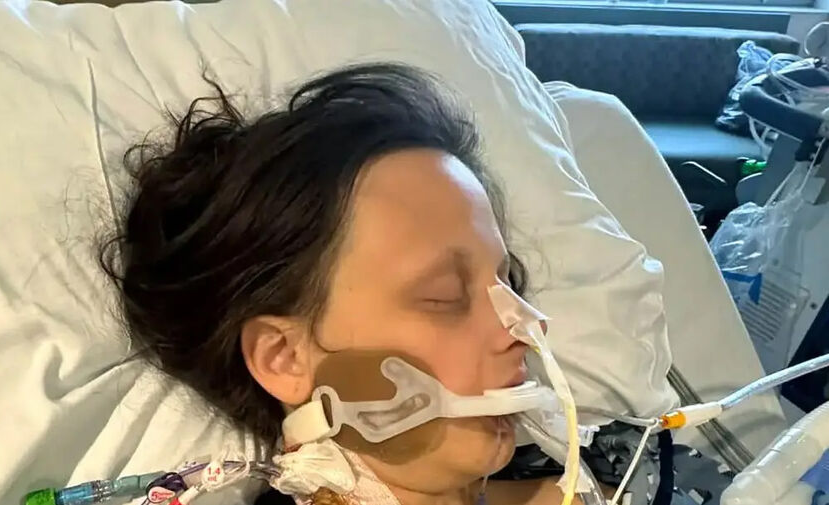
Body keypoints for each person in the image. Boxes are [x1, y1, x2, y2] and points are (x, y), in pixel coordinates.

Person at [101, 64, 725, 505]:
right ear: (284, 357)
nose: (526, 328)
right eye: (445, 297)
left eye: (507, 283)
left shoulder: (630, 472)